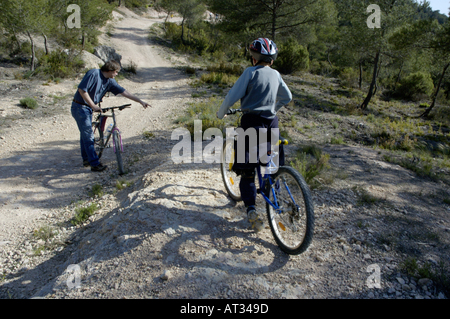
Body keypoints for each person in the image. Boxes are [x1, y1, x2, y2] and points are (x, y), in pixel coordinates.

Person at [216, 38, 292, 232]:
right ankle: (275, 196)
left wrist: (220, 113)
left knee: (248, 172)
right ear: (272, 60)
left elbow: (232, 96)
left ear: (253, 59)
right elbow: (287, 97)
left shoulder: (250, 72)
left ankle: (251, 209)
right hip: (272, 124)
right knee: (272, 168)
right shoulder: (276, 74)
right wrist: (273, 107)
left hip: (251, 124)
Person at [71, 60, 151, 172]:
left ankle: (86, 159)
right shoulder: (93, 73)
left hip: (88, 108)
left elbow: (124, 92)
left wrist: (140, 101)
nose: (117, 74)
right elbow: (82, 90)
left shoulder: (110, 81)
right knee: (88, 135)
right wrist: (93, 105)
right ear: (110, 70)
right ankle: (95, 164)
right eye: (116, 72)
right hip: (80, 107)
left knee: (85, 134)